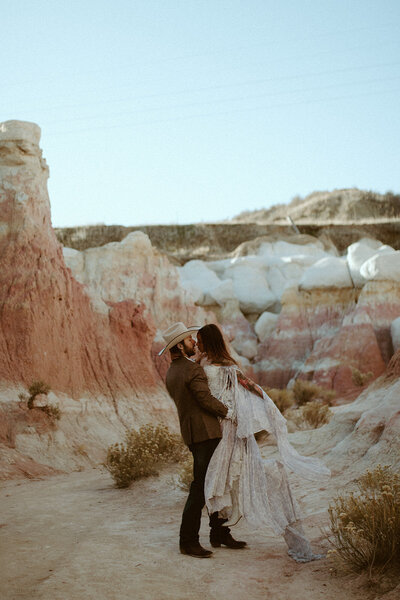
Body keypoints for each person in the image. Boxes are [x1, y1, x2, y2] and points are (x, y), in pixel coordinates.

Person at [196, 323, 331, 562]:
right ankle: (219, 531)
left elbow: (250, 386)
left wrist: (269, 407)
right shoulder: (204, 363)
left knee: (227, 476)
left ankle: (221, 531)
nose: (198, 344)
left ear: (209, 341)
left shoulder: (225, 366)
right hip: (217, 426)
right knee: (218, 478)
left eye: (200, 340)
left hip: (230, 428)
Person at [159, 322, 247, 559]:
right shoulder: (192, 370)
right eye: (189, 340)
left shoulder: (173, 371)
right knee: (200, 489)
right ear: (179, 345)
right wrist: (230, 412)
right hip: (206, 434)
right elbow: (205, 399)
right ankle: (188, 541)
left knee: (213, 484)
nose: (194, 343)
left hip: (191, 434)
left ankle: (218, 533)